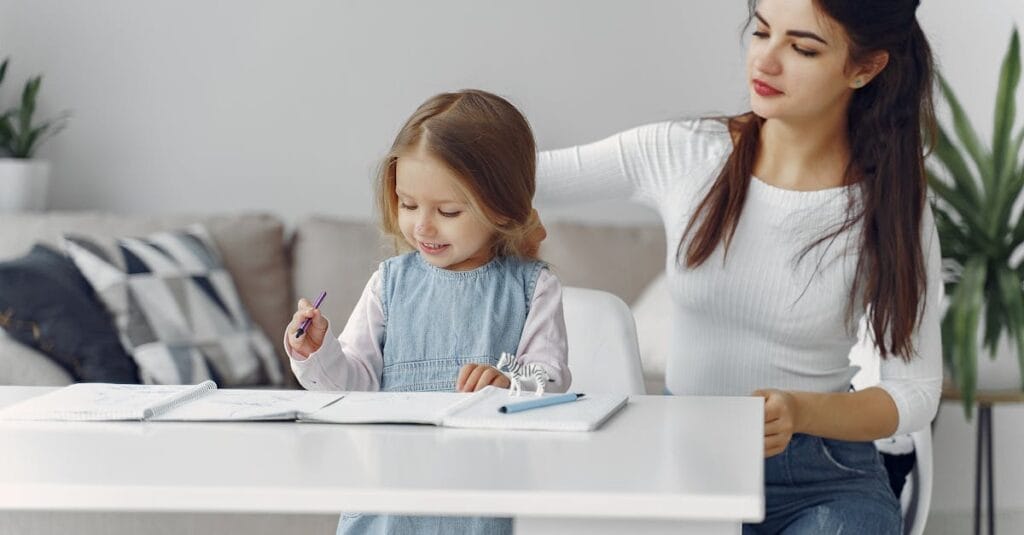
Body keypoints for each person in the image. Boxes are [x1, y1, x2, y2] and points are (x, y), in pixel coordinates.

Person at [534, 0, 941, 532]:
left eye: (802, 47)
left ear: (864, 68)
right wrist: (434, 153)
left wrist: (802, 410)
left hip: (824, 477)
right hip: (686, 463)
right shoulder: (684, 153)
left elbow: (915, 392)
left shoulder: (890, 201)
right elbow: (521, 178)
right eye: (762, 31)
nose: (765, 62)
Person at [285, 89, 570, 535]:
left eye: (449, 211)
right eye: (408, 204)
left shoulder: (533, 286)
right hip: (388, 502)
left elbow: (551, 379)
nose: (422, 226)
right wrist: (318, 352)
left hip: (479, 505)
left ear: (502, 205)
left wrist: (509, 381)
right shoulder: (389, 282)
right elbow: (353, 383)